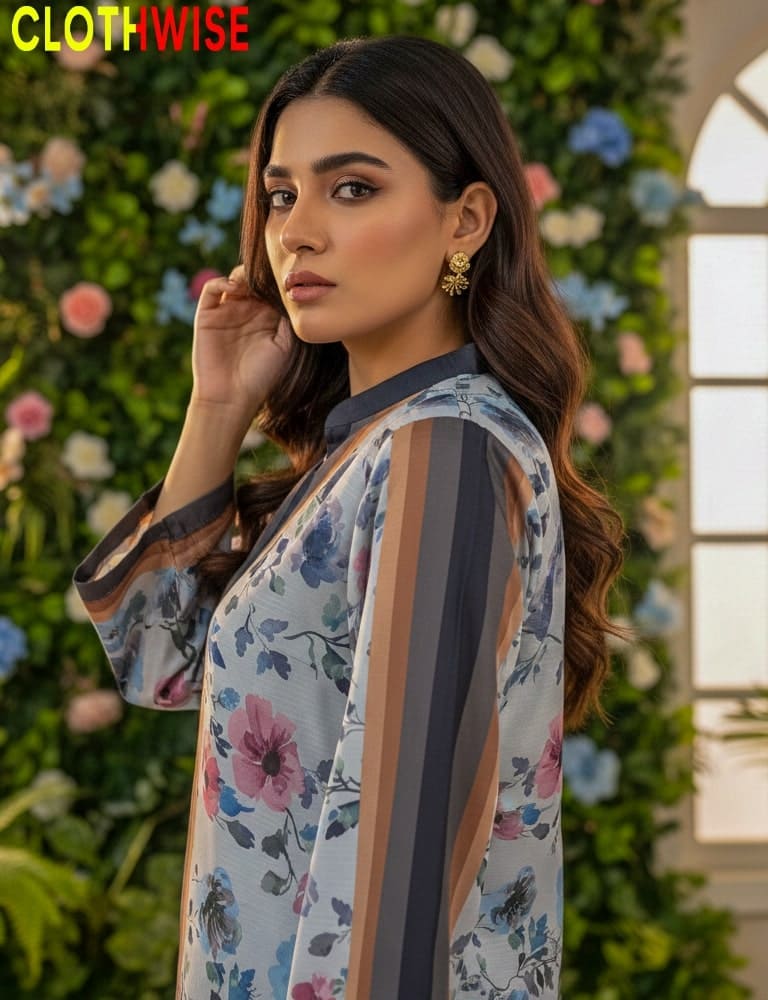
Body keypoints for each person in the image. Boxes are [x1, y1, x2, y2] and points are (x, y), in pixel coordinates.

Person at [73, 34, 630, 1000]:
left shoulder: (444, 452)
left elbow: (400, 866)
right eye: (282, 194)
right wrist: (218, 407)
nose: (296, 231)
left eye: (353, 188)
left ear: (466, 220)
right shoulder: (370, 450)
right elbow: (161, 659)